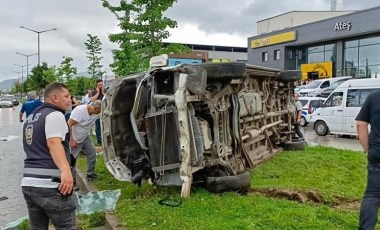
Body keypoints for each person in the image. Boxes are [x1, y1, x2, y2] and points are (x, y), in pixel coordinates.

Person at [21, 82, 76, 229]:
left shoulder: (32, 116)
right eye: (66, 96)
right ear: (55, 97)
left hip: (29, 183)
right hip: (51, 183)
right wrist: (66, 171)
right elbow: (53, 143)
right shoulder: (54, 115)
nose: (70, 99)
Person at [356, 90, 380, 230]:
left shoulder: (374, 97)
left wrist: (367, 148)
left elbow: (361, 124)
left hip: (377, 154)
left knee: (373, 195)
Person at [67, 100, 102, 181]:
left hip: (85, 137)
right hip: (75, 139)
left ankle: (90, 174)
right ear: (96, 108)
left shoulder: (95, 112)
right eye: (99, 111)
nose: (99, 113)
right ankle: (72, 180)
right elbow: (69, 124)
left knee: (92, 153)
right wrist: (71, 139)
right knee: (72, 160)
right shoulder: (80, 111)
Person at [90, 79, 105, 145]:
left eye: (102, 85)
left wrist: (103, 93)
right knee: (98, 125)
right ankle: (99, 140)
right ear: (97, 85)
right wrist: (98, 92)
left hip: (104, 109)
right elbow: (92, 99)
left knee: (105, 125)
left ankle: (105, 139)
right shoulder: (94, 92)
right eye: (99, 85)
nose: (101, 86)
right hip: (97, 110)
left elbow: (108, 97)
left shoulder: (105, 90)